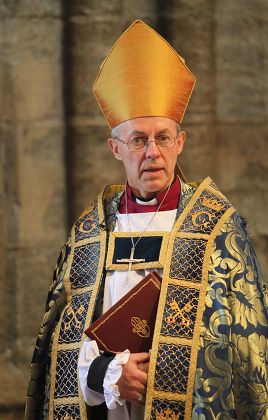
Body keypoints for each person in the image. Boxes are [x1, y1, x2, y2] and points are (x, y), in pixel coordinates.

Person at [25, 20, 268, 420]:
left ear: (180, 142)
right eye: (138, 139)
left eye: (163, 137)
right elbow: (58, 341)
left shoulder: (215, 229)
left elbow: (245, 349)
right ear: (115, 148)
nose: (152, 152)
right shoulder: (90, 233)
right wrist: (106, 374)